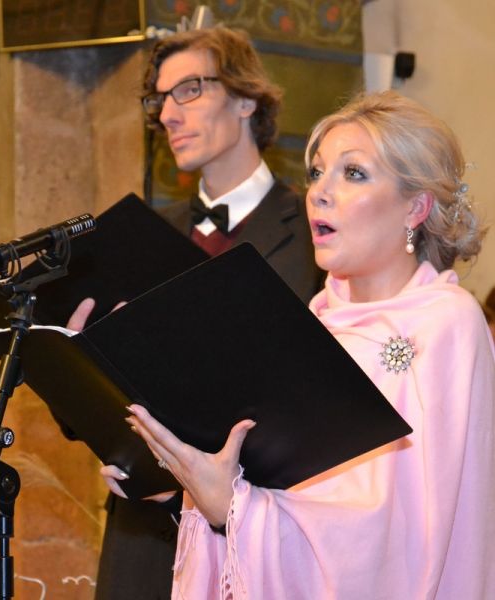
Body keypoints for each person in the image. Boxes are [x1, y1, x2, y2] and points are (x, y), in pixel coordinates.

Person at [118, 91, 495, 599]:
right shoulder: (312, 320)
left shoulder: (447, 322)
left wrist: (232, 506)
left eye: (353, 173)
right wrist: (182, 483)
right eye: (317, 173)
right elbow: (276, 485)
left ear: (415, 207)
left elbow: (407, 536)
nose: (319, 192)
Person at [68, 27, 324, 600]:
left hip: (262, 533)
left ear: (246, 98)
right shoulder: (138, 239)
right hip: (143, 537)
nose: (167, 115)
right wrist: (81, 367)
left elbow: (314, 396)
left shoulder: (315, 235)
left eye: (189, 90)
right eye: (159, 100)